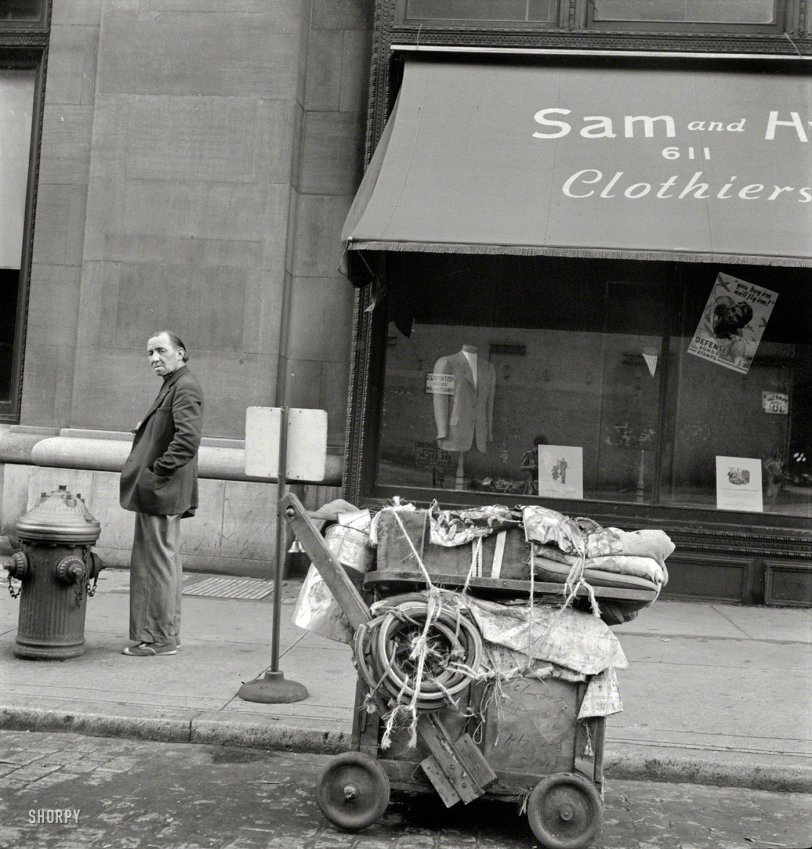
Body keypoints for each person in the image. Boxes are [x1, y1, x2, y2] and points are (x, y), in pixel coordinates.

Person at [119, 331, 204, 657]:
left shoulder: (184, 385)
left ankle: (158, 639)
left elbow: (187, 440)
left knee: (155, 565)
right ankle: (165, 634)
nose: (154, 358)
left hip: (161, 490)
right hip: (159, 490)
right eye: (150, 352)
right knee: (163, 562)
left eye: (161, 350)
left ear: (181, 352)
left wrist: (157, 471)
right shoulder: (175, 383)